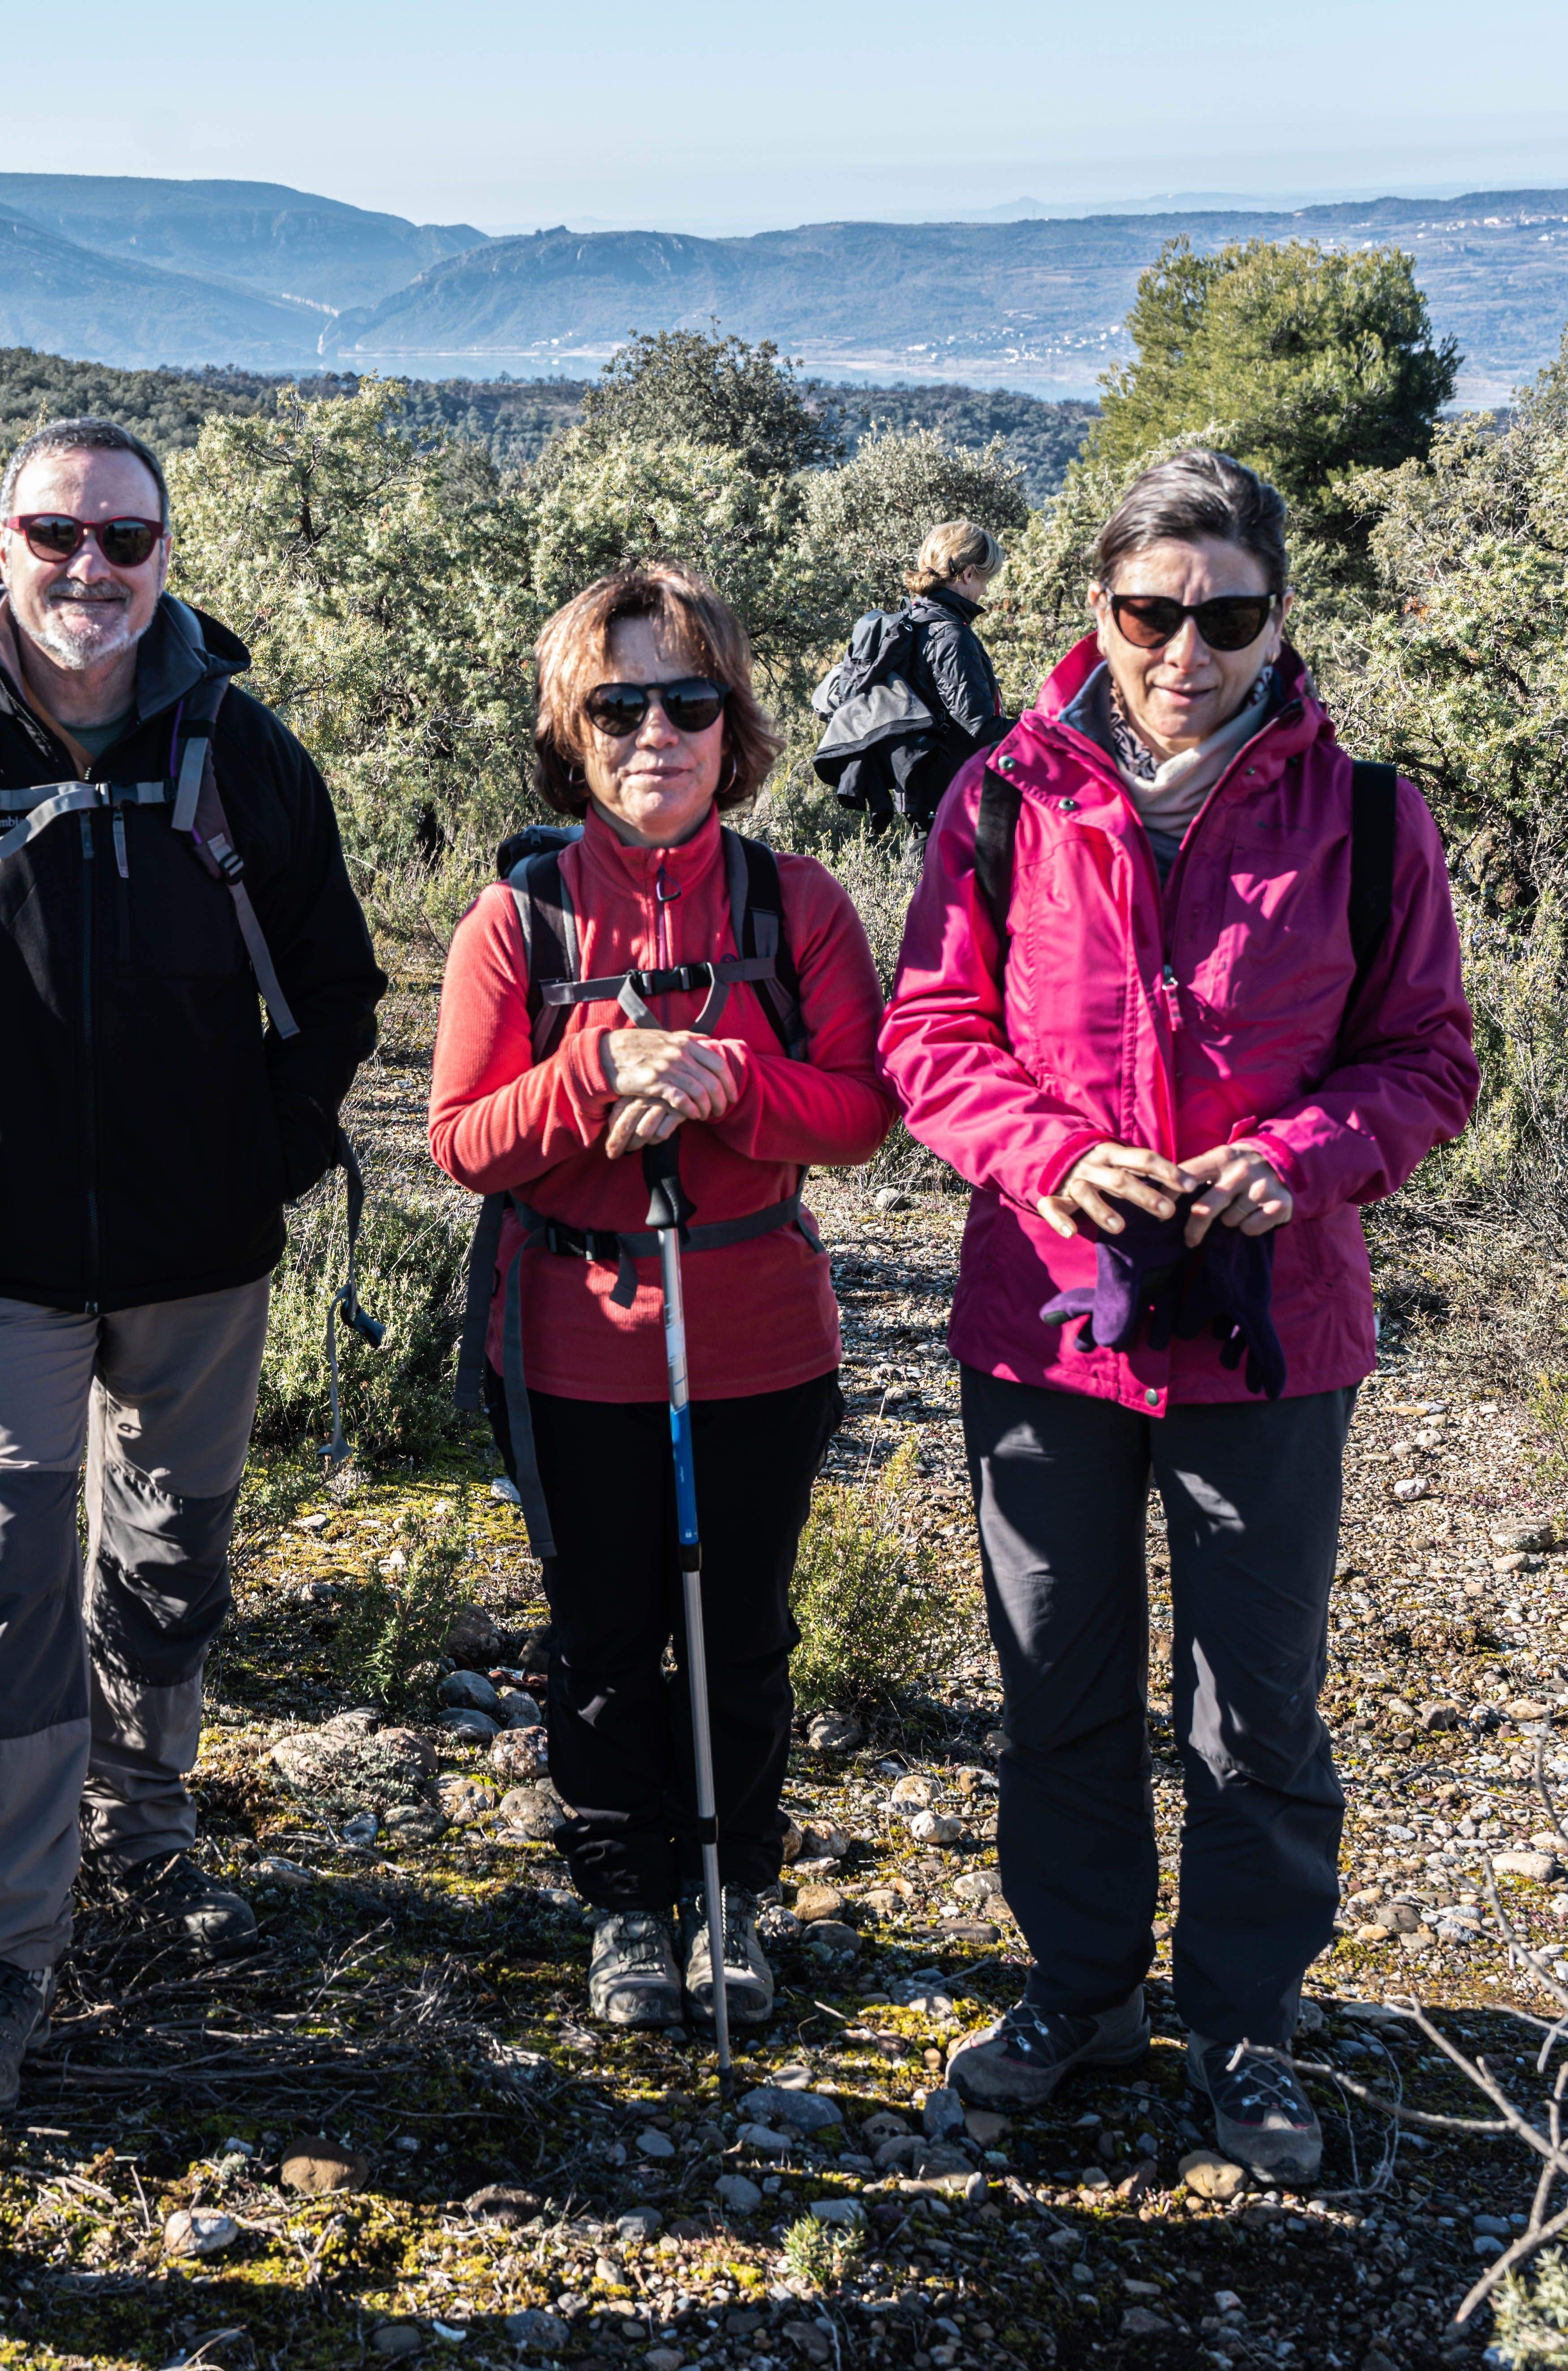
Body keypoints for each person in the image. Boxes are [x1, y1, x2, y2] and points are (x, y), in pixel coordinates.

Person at [0, 418, 384, 2119]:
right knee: (13, 1557)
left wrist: (260, 1151)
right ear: (0, 539)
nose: (88, 571)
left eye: (123, 539)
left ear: (166, 553)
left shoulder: (239, 752)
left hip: (202, 1254)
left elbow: (334, 988)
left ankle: (145, 1824)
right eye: (56, 535)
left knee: (172, 1553)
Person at [878, 450, 1477, 2185]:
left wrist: (1293, 1163)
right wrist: (1049, 1161)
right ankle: (1077, 1990)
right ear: (1097, 611)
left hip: (1268, 1333)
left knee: (1253, 1706)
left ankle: (1242, 2025)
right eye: (1149, 612)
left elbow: (1425, 1062)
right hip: (1044, 1327)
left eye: (1223, 615)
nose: (1183, 650)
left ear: (1276, 616)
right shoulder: (1001, 796)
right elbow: (932, 1036)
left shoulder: (1365, 818)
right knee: (1053, 1681)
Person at [427, 564, 895, 2033]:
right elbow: (459, 1138)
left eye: (688, 700)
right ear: (573, 727)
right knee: (603, 1634)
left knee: (746, 1627)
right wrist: (592, 1078)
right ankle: (628, 1904)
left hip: (761, 1339)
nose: (656, 733)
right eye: (617, 703)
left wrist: (728, 1083)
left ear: (732, 723)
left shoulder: (795, 903)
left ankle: (734, 1893)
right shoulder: (519, 922)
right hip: (570, 1348)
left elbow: (865, 1108)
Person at [810, 519, 1004, 833]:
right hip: (956, 805)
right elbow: (980, 728)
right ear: (968, 574)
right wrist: (1043, 731)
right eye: (985, 580)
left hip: (926, 801)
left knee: (921, 879)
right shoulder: (951, 635)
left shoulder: (914, 622)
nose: (984, 591)